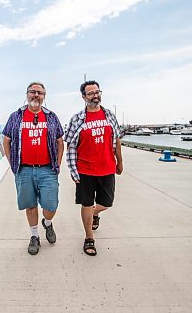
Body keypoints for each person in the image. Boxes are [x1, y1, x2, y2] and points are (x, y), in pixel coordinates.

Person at [3, 82, 64, 255]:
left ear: (44, 96)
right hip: (24, 170)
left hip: (48, 170)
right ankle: (35, 236)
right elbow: (6, 140)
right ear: (27, 94)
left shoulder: (51, 117)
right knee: (30, 206)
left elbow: (60, 141)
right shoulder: (16, 116)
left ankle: (48, 223)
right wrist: (12, 163)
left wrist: (57, 164)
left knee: (51, 206)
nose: (36, 95)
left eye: (40, 93)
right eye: (33, 92)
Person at [64, 80, 124, 256]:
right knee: (86, 204)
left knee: (106, 203)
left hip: (107, 167)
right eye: (90, 93)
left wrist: (119, 161)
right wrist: (73, 170)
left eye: (97, 92)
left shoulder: (109, 115)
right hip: (85, 170)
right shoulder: (77, 119)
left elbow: (117, 139)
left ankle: (95, 213)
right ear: (84, 97)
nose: (95, 96)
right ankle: (89, 237)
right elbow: (71, 146)